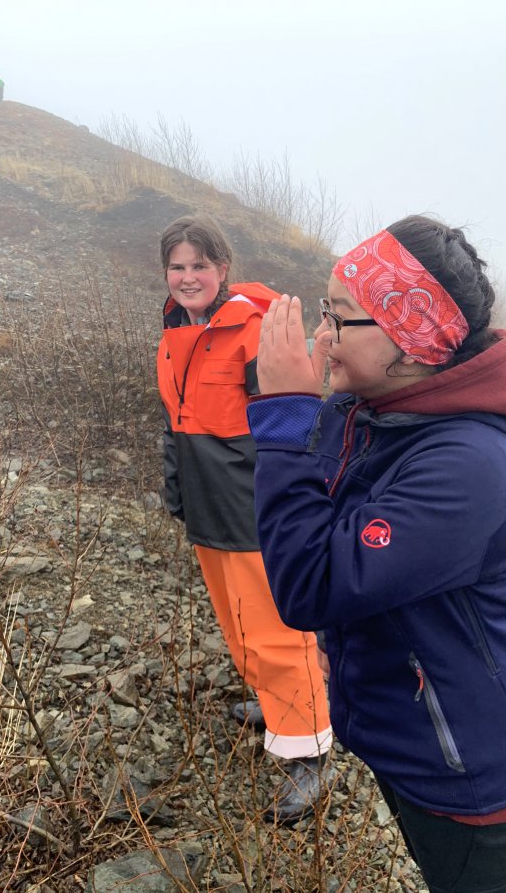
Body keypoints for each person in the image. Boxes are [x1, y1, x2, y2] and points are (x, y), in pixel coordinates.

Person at [247, 216, 506, 890]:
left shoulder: (467, 461)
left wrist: (284, 416)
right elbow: (317, 531)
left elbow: (310, 585)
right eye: (321, 311)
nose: (320, 337)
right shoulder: (362, 410)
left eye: (340, 319)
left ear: (413, 338)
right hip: (395, 737)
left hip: (466, 773)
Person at [156, 215, 333, 822]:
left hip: (252, 503)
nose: (187, 277)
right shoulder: (177, 329)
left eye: (199, 266)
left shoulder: (253, 331)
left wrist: (293, 503)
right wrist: (175, 486)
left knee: (277, 628)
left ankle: (309, 752)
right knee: (235, 622)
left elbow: (295, 420)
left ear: (222, 268)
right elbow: (174, 420)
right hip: (206, 502)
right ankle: (271, 701)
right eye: (177, 267)